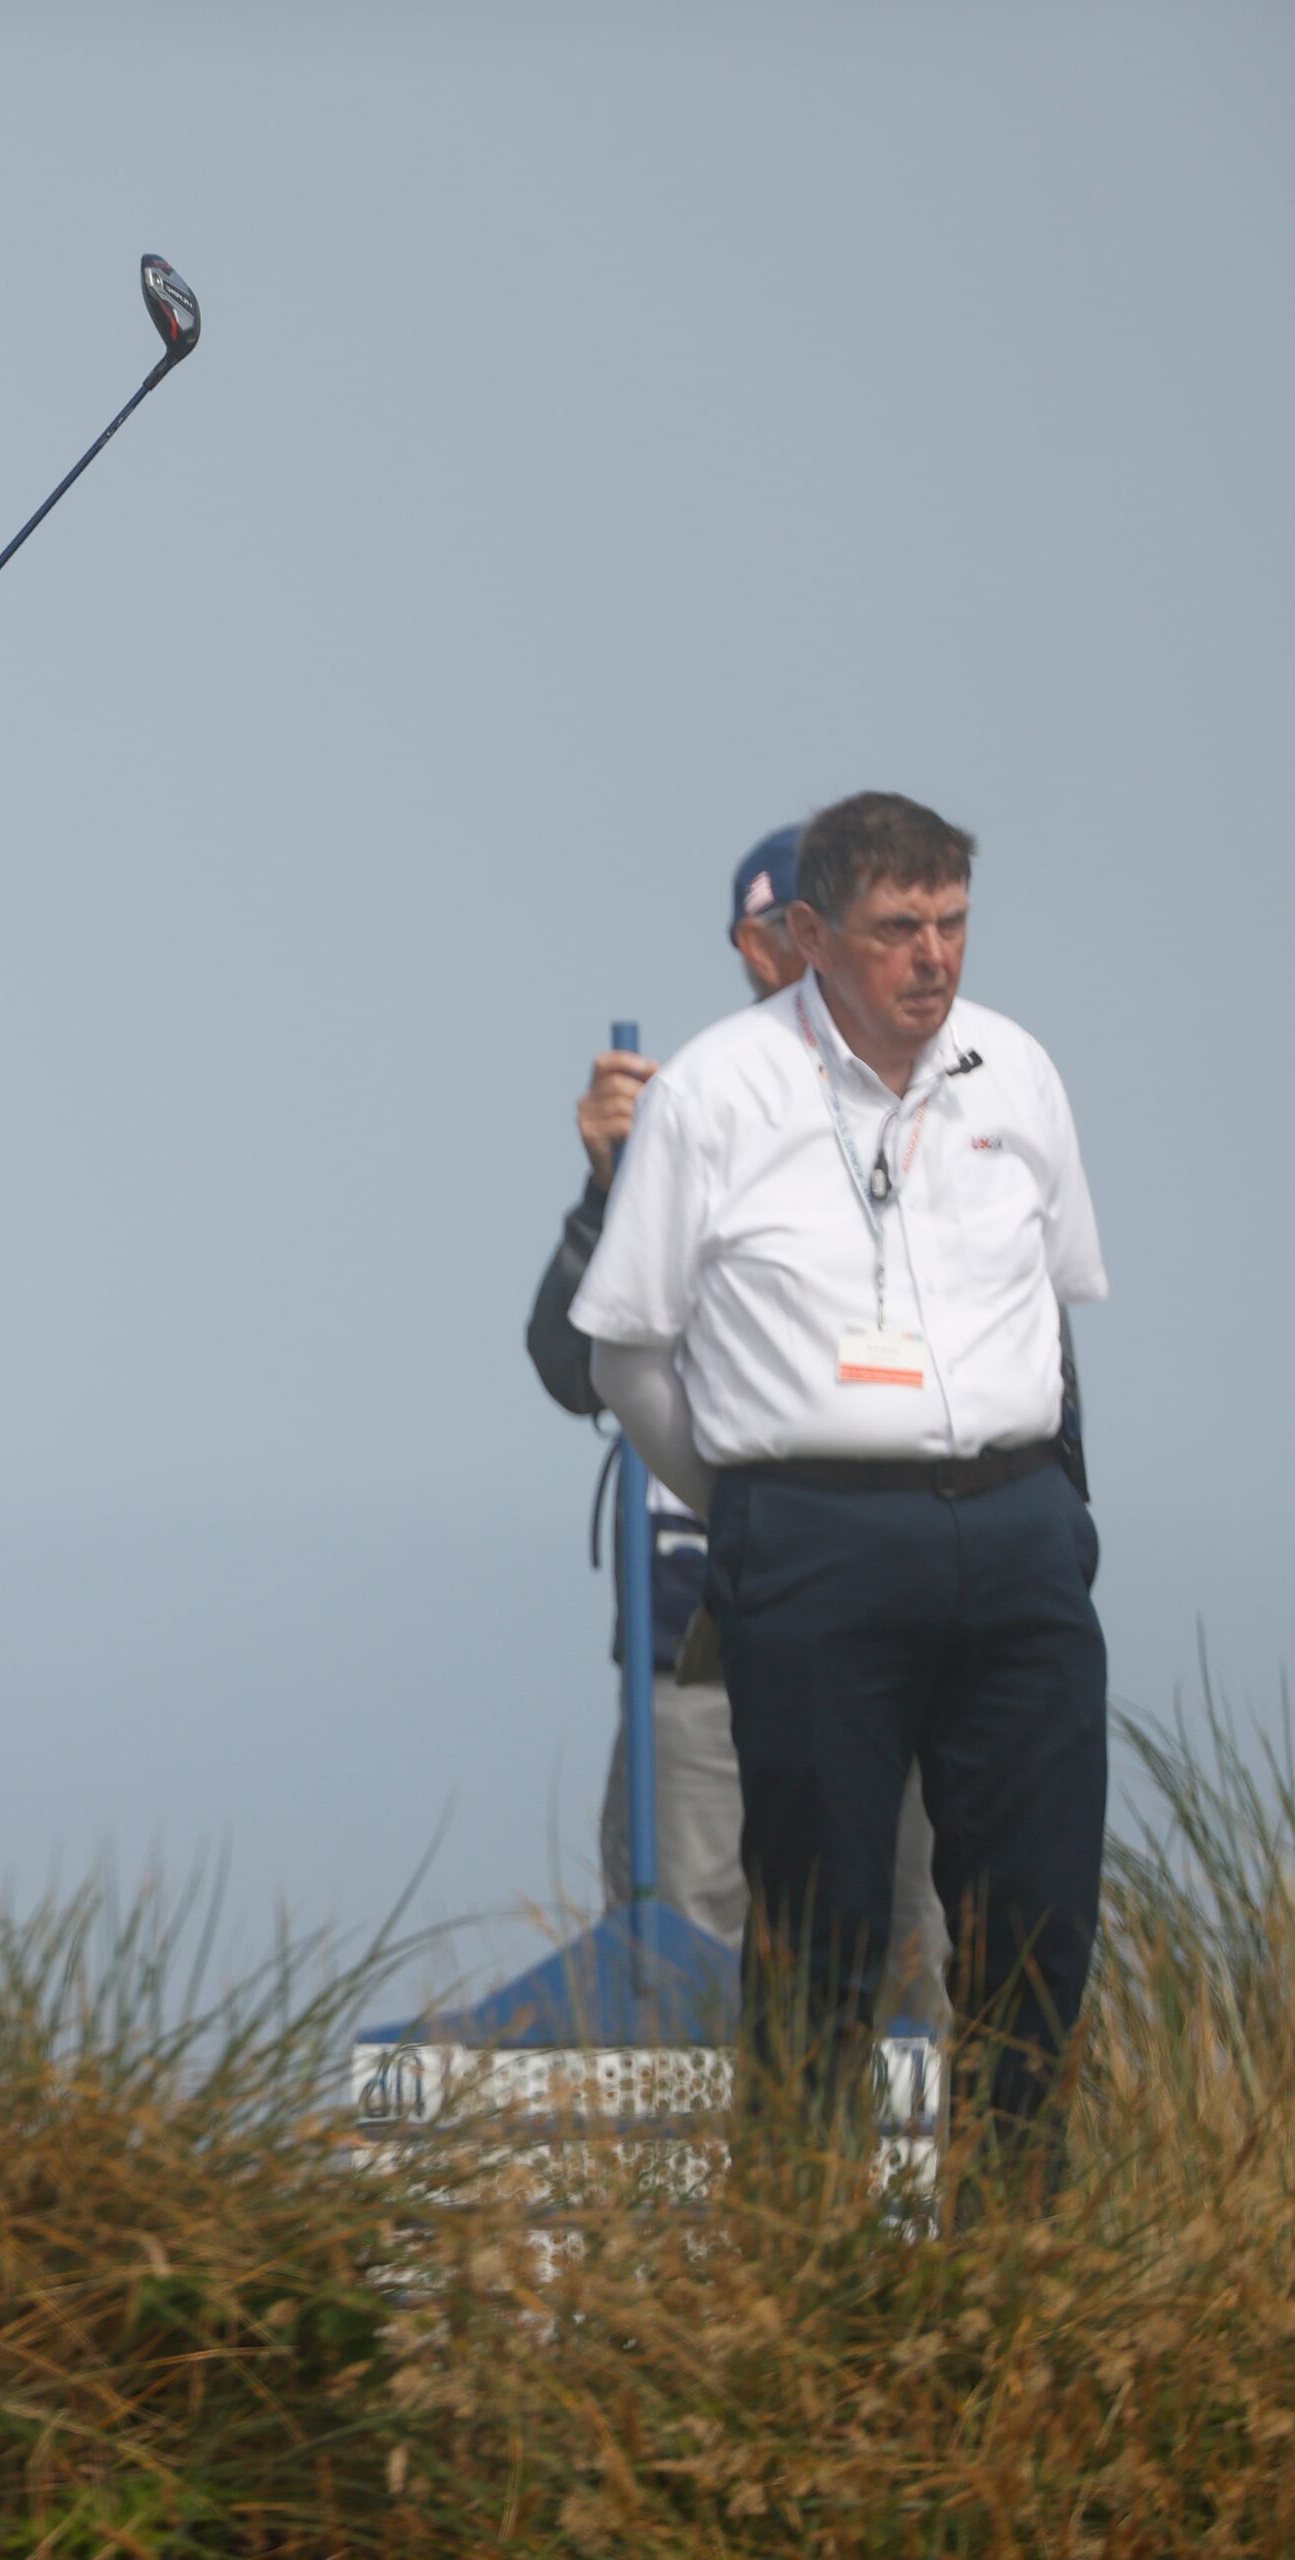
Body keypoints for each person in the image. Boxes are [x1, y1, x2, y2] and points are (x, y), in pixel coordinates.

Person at [572, 791, 1108, 2164]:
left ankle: (1010, 2257)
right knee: (820, 1923)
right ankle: (805, 2256)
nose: (932, 958)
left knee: (1036, 1911)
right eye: (895, 931)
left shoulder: (1019, 1069)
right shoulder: (716, 1090)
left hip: (1015, 1520)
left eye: (952, 924)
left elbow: (1057, 1304)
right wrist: (759, 1506)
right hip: (809, 1533)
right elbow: (625, 1354)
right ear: (812, 936)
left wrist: (1060, 1511)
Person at [528, 828, 945, 2019]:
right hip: (697, 1636)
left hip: (900, 1630)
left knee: (908, 1966)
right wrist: (607, 1189)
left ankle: (910, 2209)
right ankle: (710, 2212)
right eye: (782, 936)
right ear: (755, 948)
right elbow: (572, 1365)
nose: (803, 963)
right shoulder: (687, 1118)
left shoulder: (948, 1111)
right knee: (680, 1973)